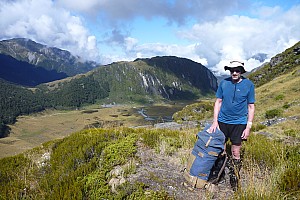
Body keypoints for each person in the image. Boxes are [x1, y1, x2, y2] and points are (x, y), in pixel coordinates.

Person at [209, 60, 255, 191]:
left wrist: (248, 127)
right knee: (220, 149)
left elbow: (251, 106)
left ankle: (234, 177)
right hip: (222, 122)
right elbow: (218, 102)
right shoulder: (224, 83)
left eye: (237, 70)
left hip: (239, 123)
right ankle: (218, 174)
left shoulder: (249, 85)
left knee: (235, 152)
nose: (234, 72)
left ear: (241, 71)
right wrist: (215, 121)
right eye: (232, 70)